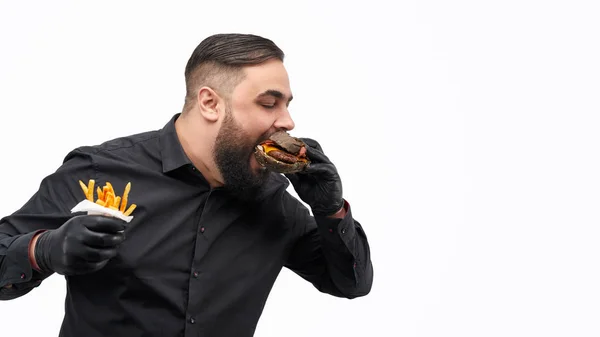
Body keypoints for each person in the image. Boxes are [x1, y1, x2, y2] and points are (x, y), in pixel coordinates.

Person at [0, 33, 373, 336]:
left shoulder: (274, 199)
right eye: (268, 103)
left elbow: (349, 282)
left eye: (287, 104)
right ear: (210, 103)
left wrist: (330, 209)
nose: (288, 121)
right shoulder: (100, 170)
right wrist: (41, 249)